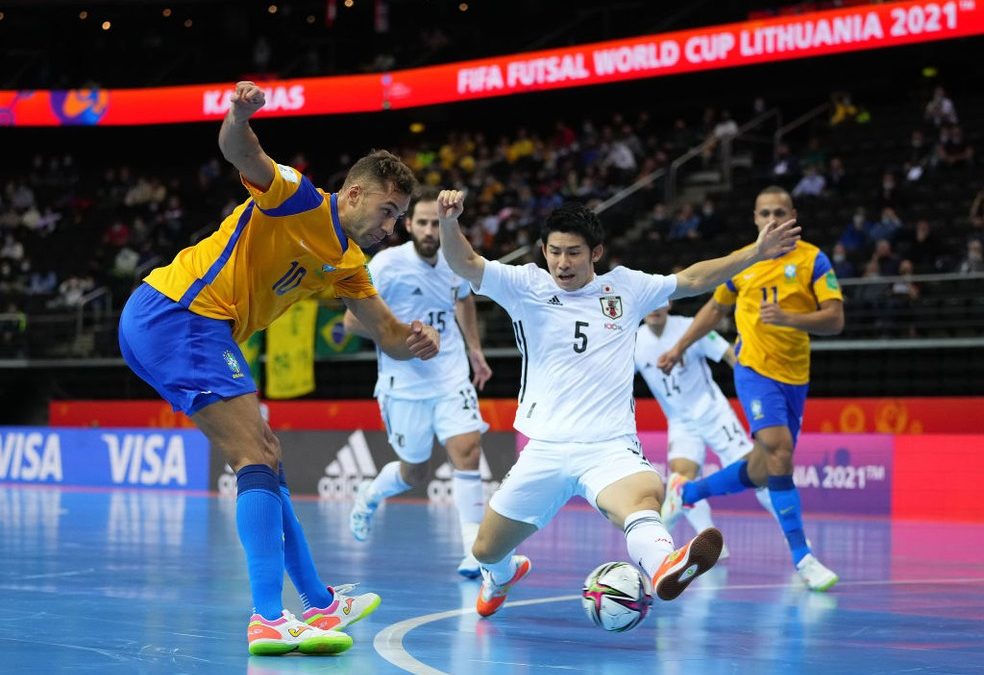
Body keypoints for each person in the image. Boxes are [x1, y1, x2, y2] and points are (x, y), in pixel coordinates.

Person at [117, 82, 440, 656]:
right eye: (387, 210)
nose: (390, 225)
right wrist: (239, 115)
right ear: (355, 193)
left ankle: (317, 604)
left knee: (265, 453)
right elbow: (241, 152)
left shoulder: (348, 263)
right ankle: (268, 617)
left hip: (194, 325)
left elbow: (388, 334)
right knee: (256, 456)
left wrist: (415, 340)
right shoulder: (296, 197)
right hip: (179, 312)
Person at [435, 190, 801, 620]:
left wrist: (755, 252)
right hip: (545, 448)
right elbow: (465, 263)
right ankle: (501, 575)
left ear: (597, 252)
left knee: (644, 500)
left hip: (609, 445)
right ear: (543, 251)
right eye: (555, 252)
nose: (563, 263)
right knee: (485, 549)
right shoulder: (524, 285)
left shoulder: (625, 288)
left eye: (574, 253)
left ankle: (666, 564)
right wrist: (448, 222)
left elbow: (695, 279)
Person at [657, 185, 844, 592]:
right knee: (778, 450)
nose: (772, 220)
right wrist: (678, 346)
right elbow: (714, 309)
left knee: (762, 469)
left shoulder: (814, 259)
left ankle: (687, 491)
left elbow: (835, 320)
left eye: (780, 212)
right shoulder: (744, 263)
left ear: (793, 215)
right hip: (753, 370)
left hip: (795, 375)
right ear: (755, 219)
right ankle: (803, 556)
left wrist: (790, 319)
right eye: (764, 214)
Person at [343, 186, 494, 578]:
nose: (430, 230)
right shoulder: (387, 264)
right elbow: (351, 322)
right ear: (408, 225)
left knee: (468, 450)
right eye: (423, 223)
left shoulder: (454, 258)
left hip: (450, 376)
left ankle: (473, 550)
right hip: (403, 384)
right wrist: (400, 334)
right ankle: (370, 495)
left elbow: (463, 298)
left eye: (436, 223)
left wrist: (474, 350)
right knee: (416, 473)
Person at [634, 305, 777, 555]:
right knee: (681, 478)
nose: (655, 308)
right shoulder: (634, 341)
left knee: (757, 474)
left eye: (660, 302)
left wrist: (756, 388)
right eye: (650, 302)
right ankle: (713, 544)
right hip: (680, 421)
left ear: (668, 304)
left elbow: (730, 355)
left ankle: (792, 538)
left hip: (712, 412)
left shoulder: (691, 326)